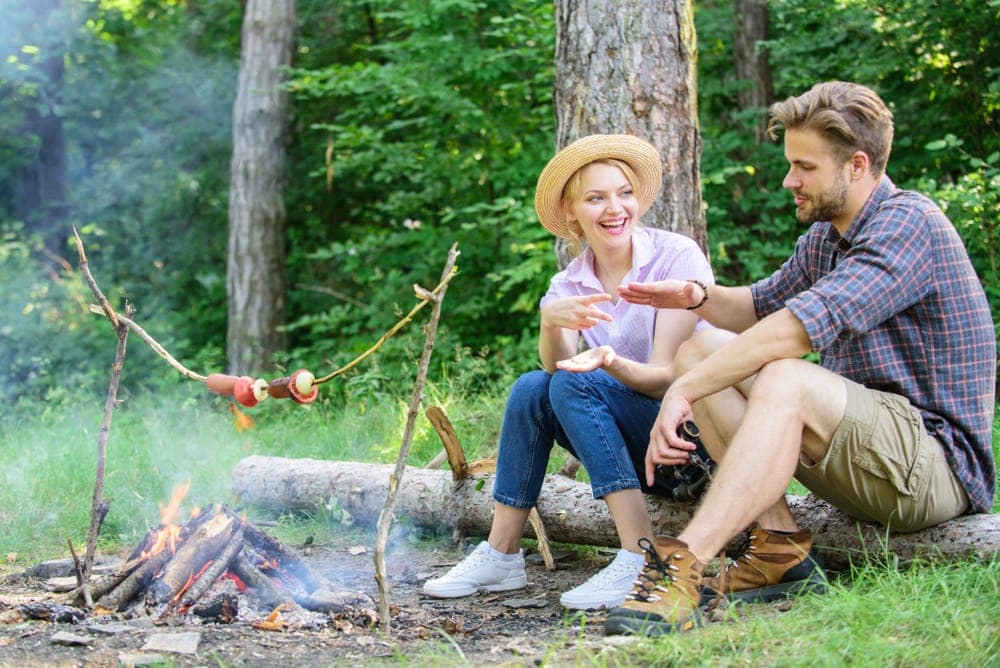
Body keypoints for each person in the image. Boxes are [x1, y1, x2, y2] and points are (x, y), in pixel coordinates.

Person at [604, 81, 997, 636]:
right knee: (698, 345)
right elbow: (757, 308)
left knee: (784, 377)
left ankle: (682, 565)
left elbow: (793, 331)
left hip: (935, 469)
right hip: (864, 455)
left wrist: (680, 392)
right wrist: (696, 298)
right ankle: (780, 549)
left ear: (856, 164)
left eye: (804, 167)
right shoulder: (825, 237)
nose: (789, 180)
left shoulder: (910, 225)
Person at [421, 134, 715, 610]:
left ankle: (640, 556)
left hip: (688, 446)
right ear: (571, 210)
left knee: (576, 381)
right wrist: (550, 321)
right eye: (596, 198)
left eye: (623, 193)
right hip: (633, 450)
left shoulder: (675, 258)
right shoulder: (569, 282)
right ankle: (501, 554)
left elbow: (667, 377)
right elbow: (554, 376)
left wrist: (609, 362)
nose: (614, 208)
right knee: (532, 388)